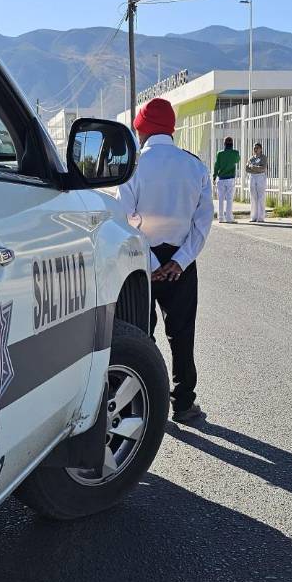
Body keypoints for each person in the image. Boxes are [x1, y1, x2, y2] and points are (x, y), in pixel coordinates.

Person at [116, 98, 212, 425]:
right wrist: (179, 261)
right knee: (182, 336)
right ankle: (184, 404)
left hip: (141, 262)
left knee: (140, 336)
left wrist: (152, 261)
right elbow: (203, 222)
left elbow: (125, 218)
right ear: (171, 129)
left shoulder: (134, 167)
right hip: (181, 264)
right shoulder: (195, 166)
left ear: (141, 130)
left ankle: (140, 406)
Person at [213, 136, 240, 224]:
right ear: (232, 144)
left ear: (224, 144)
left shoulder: (220, 153)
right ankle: (229, 218)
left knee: (220, 199)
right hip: (230, 179)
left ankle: (221, 217)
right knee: (229, 199)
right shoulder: (235, 153)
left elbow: (217, 165)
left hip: (221, 179)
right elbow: (237, 160)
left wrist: (214, 176)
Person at [245, 142, 268, 222]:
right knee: (253, 196)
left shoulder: (263, 157)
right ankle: (254, 216)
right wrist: (255, 168)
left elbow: (263, 168)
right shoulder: (251, 158)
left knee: (261, 196)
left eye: (257, 148)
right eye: (254, 148)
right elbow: (247, 169)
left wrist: (253, 167)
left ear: (261, 149)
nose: (255, 149)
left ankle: (260, 217)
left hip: (260, 177)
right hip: (252, 176)